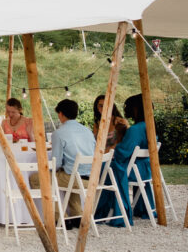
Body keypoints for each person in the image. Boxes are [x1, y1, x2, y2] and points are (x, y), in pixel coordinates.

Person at [27, 99, 94, 227]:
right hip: (92, 177)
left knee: (36, 178)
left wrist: (49, 170)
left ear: (61, 114)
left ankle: (61, 218)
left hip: (74, 178)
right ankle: (77, 215)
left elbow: (56, 162)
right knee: (69, 174)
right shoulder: (87, 131)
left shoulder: (59, 133)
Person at [96, 94, 159, 227]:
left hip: (133, 171)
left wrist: (115, 147)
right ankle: (109, 210)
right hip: (145, 169)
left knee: (104, 170)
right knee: (108, 169)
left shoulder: (135, 130)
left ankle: (103, 212)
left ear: (136, 109)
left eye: (128, 107)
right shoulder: (149, 126)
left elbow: (122, 152)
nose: (125, 110)